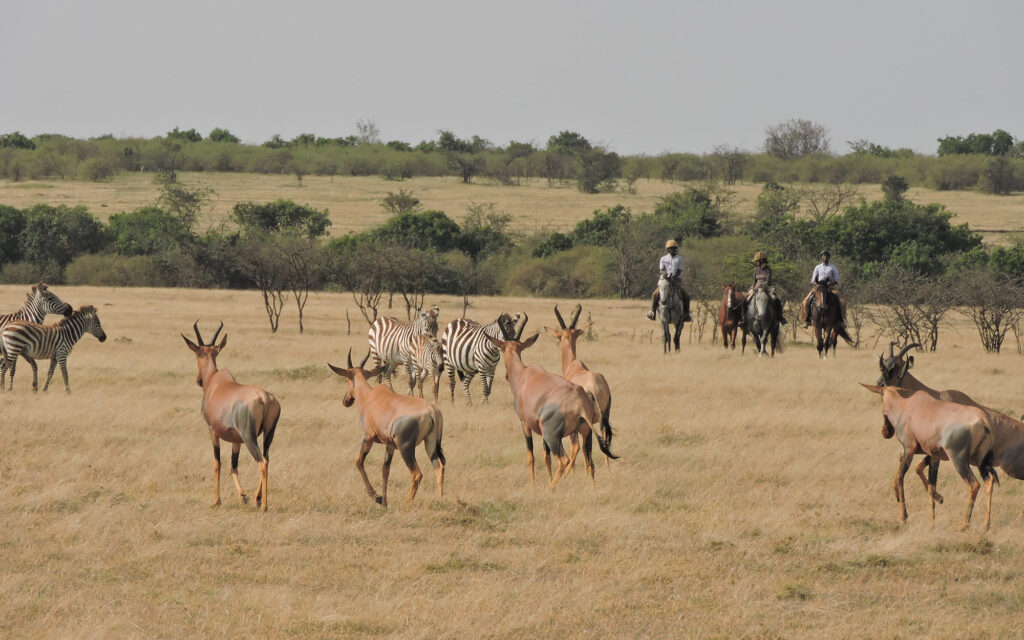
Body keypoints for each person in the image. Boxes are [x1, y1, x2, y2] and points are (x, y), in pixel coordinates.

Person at [648, 239, 692, 322]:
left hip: (676, 280)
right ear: (668, 249)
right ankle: (652, 312)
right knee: (655, 294)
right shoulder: (663, 259)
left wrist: (674, 276)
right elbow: (661, 269)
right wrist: (665, 274)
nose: (674, 250)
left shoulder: (679, 259)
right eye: (672, 248)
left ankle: (687, 314)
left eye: (675, 248)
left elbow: (680, 270)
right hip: (665, 280)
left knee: (686, 296)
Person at [801, 250, 843, 327]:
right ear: (821, 257)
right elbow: (813, 280)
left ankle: (841, 320)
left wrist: (832, 283)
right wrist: (817, 284)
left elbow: (837, 280)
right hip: (819, 287)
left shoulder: (833, 267)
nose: (825, 257)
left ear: (829, 257)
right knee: (805, 301)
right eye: (823, 255)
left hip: (830, 287)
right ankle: (806, 320)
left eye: (827, 256)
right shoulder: (817, 267)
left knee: (841, 302)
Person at [744, 251, 786, 324]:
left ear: (762, 260)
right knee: (745, 299)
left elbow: (768, 281)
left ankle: (780, 317)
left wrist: (760, 286)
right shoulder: (756, 271)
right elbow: (754, 282)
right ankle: (744, 318)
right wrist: (753, 288)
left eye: (757, 261)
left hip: (767, 289)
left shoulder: (768, 270)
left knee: (776, 300)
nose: (756, 262)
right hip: (756, 290)